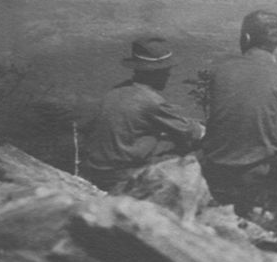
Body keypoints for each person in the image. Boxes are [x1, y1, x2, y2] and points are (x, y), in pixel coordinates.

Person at [201, 10, 277, 217]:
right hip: (255, 174)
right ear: (275, 42)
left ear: (245, 38)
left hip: (215, 169)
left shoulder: (219, 70)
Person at [81, 36, 204, 190]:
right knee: (195, 152)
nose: (168, 75)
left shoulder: (117, 91)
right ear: (155, 72)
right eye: (165, 70)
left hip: (97, 170)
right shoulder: (150, 100)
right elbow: (191, 131)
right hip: (121, 174)